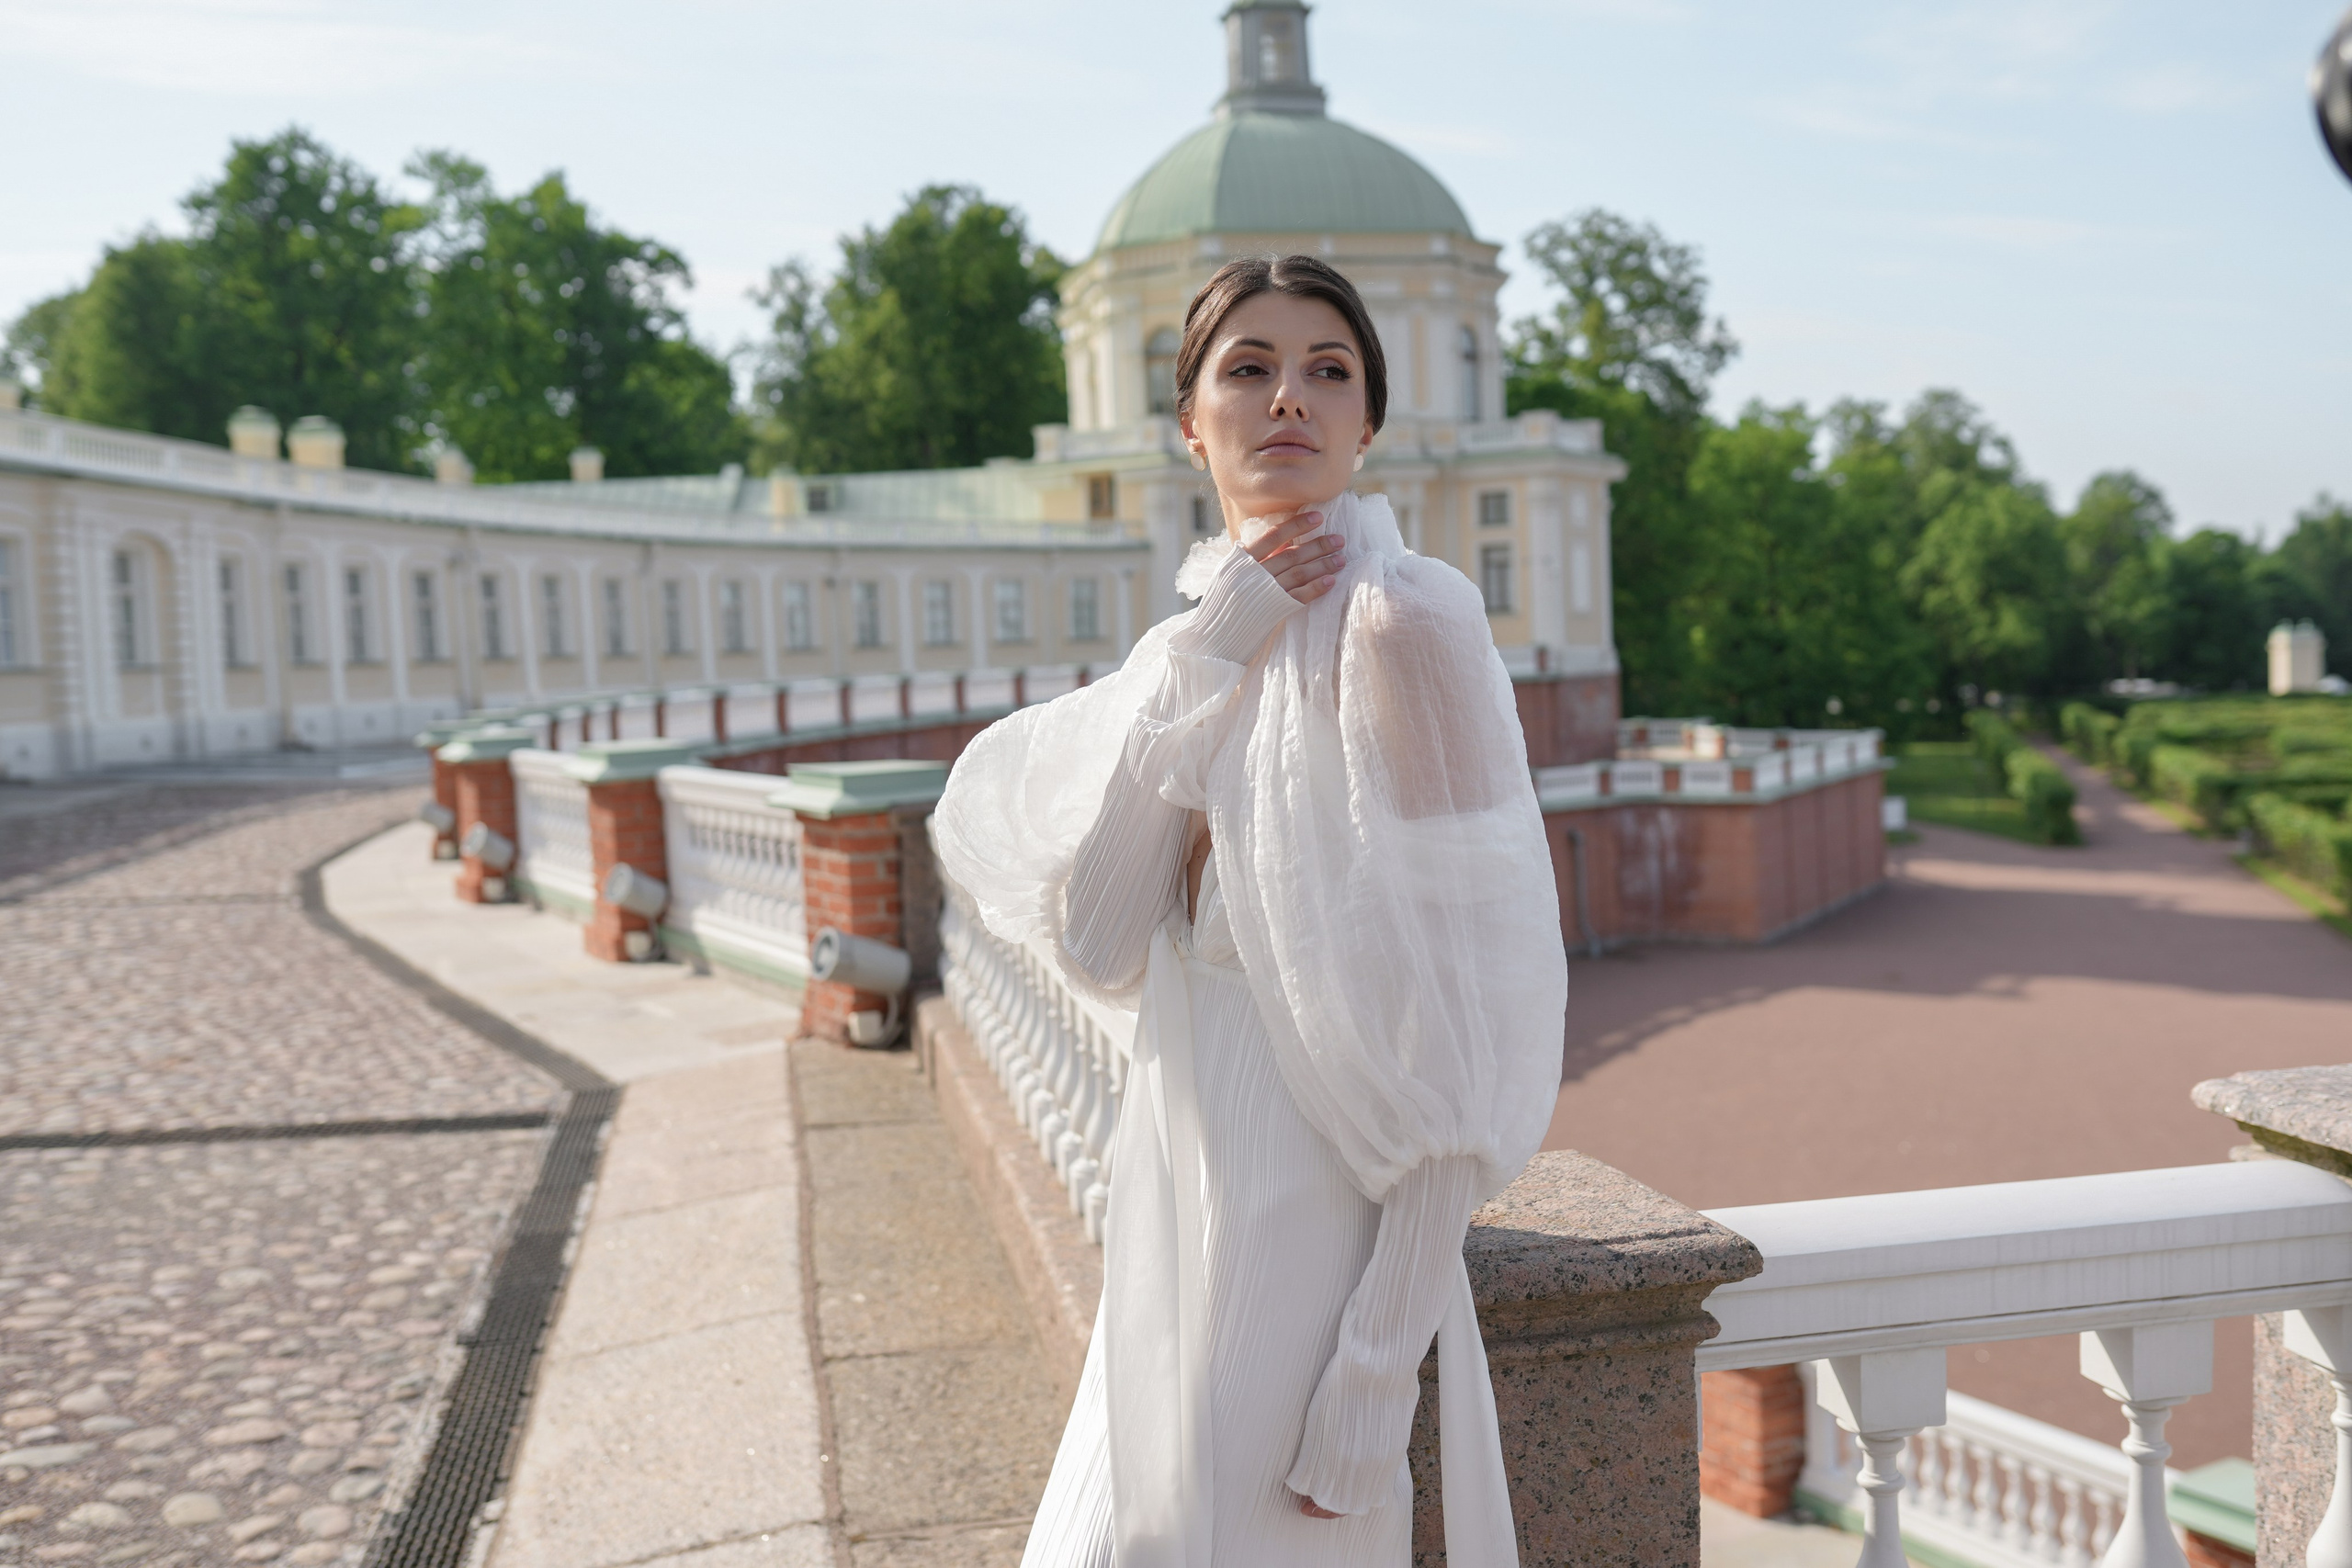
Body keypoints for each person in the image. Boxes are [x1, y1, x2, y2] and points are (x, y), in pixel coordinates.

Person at [933, 254, 1566, 1568]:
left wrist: (1376, 1376)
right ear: (1190, 422)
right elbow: (1105, 947)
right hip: (1170, 1235)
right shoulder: (1197, 645)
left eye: (1330, 371)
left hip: (1312, 1264)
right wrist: (1215, 652)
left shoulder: (1407, 625)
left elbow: (1466, 1030)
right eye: (1252, 367)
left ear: (1370, 424)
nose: (1292, 398)